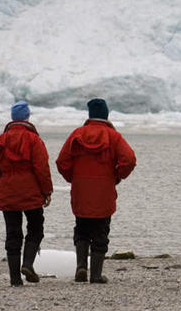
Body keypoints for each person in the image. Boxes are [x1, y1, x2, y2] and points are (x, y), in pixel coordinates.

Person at [56, 98, 136, 283]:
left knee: (82, 229)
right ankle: (96, 275)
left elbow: (62, 162)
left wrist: (73, 178)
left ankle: (81, 267)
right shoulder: (113, 136)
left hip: (81, 191)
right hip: (104, 191)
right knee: (101, 231)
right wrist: (117, 176)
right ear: (106, 114)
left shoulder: (77, 134)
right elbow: (129, 160)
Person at [0, 100, 53, 286]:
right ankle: (28, 263)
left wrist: (0, 188)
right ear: (27, 117)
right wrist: (46, 190)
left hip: (8, 191)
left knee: (12, 234)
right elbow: (41, 168)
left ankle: (15, 278)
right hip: (31, 192)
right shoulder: (34, 139)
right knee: (36, 229)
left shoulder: (1, 140)